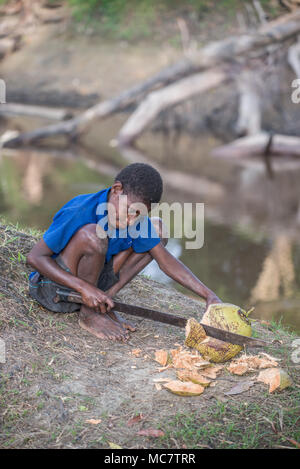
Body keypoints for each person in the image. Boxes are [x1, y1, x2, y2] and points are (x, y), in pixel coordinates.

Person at [27, 163, 221, 342]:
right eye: (129, 210)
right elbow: (35, 257)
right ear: (116, 189)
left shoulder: (133, 218)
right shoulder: (81, 209)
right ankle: (89, 314)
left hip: (94, 288)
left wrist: (208, 294)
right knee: (95, 234)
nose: (130, 220)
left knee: (157, 231)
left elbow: (165, 261)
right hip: (56, 290)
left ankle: (104, 302)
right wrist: (84, 288)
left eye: (138, 214)